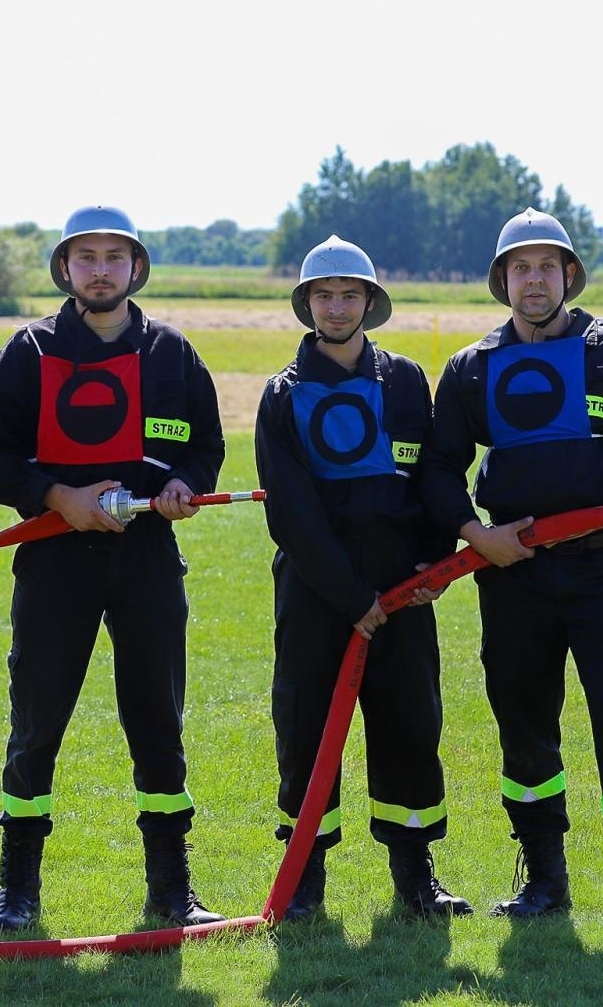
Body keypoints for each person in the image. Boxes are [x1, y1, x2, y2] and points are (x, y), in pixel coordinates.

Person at [419, 208, 603, 947]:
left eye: (547, 267)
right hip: (514, 578)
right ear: (502, 280)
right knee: (524, 727)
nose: (534, 280)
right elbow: (439, 469)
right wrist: (476, 534)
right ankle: (544, 882)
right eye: (521, 268)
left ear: (569, 276)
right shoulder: (472, 369)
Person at [0, 206, 226, 932]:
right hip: (54, 563)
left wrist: (185, 484)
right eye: (87, 257)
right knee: (36, 724)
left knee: (157, 721)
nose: (101, 270)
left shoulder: (172, 353)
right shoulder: (30, 351)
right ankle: (18, 893)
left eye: (115, 257)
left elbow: (205, 446)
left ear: (136, 267)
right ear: (66, 268)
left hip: (147, 561)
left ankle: (172, 891)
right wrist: (57, 497)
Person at [255, 236, 471, 920]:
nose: (337, 307)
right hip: (317, 590)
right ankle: (304, 879)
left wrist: (434, 563)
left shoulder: (405, 380)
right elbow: (292, 514)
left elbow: (432, 476)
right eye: (324, 296)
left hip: (404, 591)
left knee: (410, 724)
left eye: (350, 295)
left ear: (370, 302)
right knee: (306, 728)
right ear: (307, 305)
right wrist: (351, 597)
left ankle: (414, 875)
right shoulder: (280, 395)